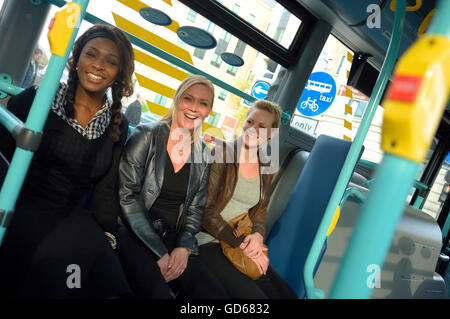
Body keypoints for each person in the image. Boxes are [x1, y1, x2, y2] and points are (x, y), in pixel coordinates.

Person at [0, 24, 135, 298]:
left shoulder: (117, 124)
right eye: (91, 55)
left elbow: (107, 189)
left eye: (110, 62)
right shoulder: (38, 99)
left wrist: (107, 235)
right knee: (60, 282)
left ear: (119, 74)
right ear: (76, 59)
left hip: (73, 216)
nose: (98, 65)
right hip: (23, 204)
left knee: (115, 288)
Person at [117, 75, 229, 299]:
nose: (194, 108)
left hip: (173, 238)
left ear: (209, 111)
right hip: (134, 233)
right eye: (188, 99)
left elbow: (195, 211)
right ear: (177, 99)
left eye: (203, 103)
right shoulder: (147, 135)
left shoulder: (204, 155)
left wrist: (184, 247)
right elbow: (127, 196)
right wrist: (159, 251)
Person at [196, 100, 298, 299]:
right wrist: (243, 244)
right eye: (250, 122)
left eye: (262, 126)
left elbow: (260, 212)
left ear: (271, 134)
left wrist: (258, 237)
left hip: (242, 241)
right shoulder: (220, 153)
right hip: (210, 240)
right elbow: (205, 211)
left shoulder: (267, 167)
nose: (253, 129)